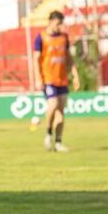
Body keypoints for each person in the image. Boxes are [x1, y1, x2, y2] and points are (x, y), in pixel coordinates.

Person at [33, 11, 81, 152]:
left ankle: (58, 141)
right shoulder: (41, 38)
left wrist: (75, 75)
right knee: (53, 104)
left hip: (62, 79)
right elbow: (36, 59)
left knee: (61, 110)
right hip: (48, 79)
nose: (60, 26)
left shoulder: (63, 38)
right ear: (51, 21)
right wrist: (38, 78)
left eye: (61, 23)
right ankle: (48, 133)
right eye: (58, 23)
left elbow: (69, 58)